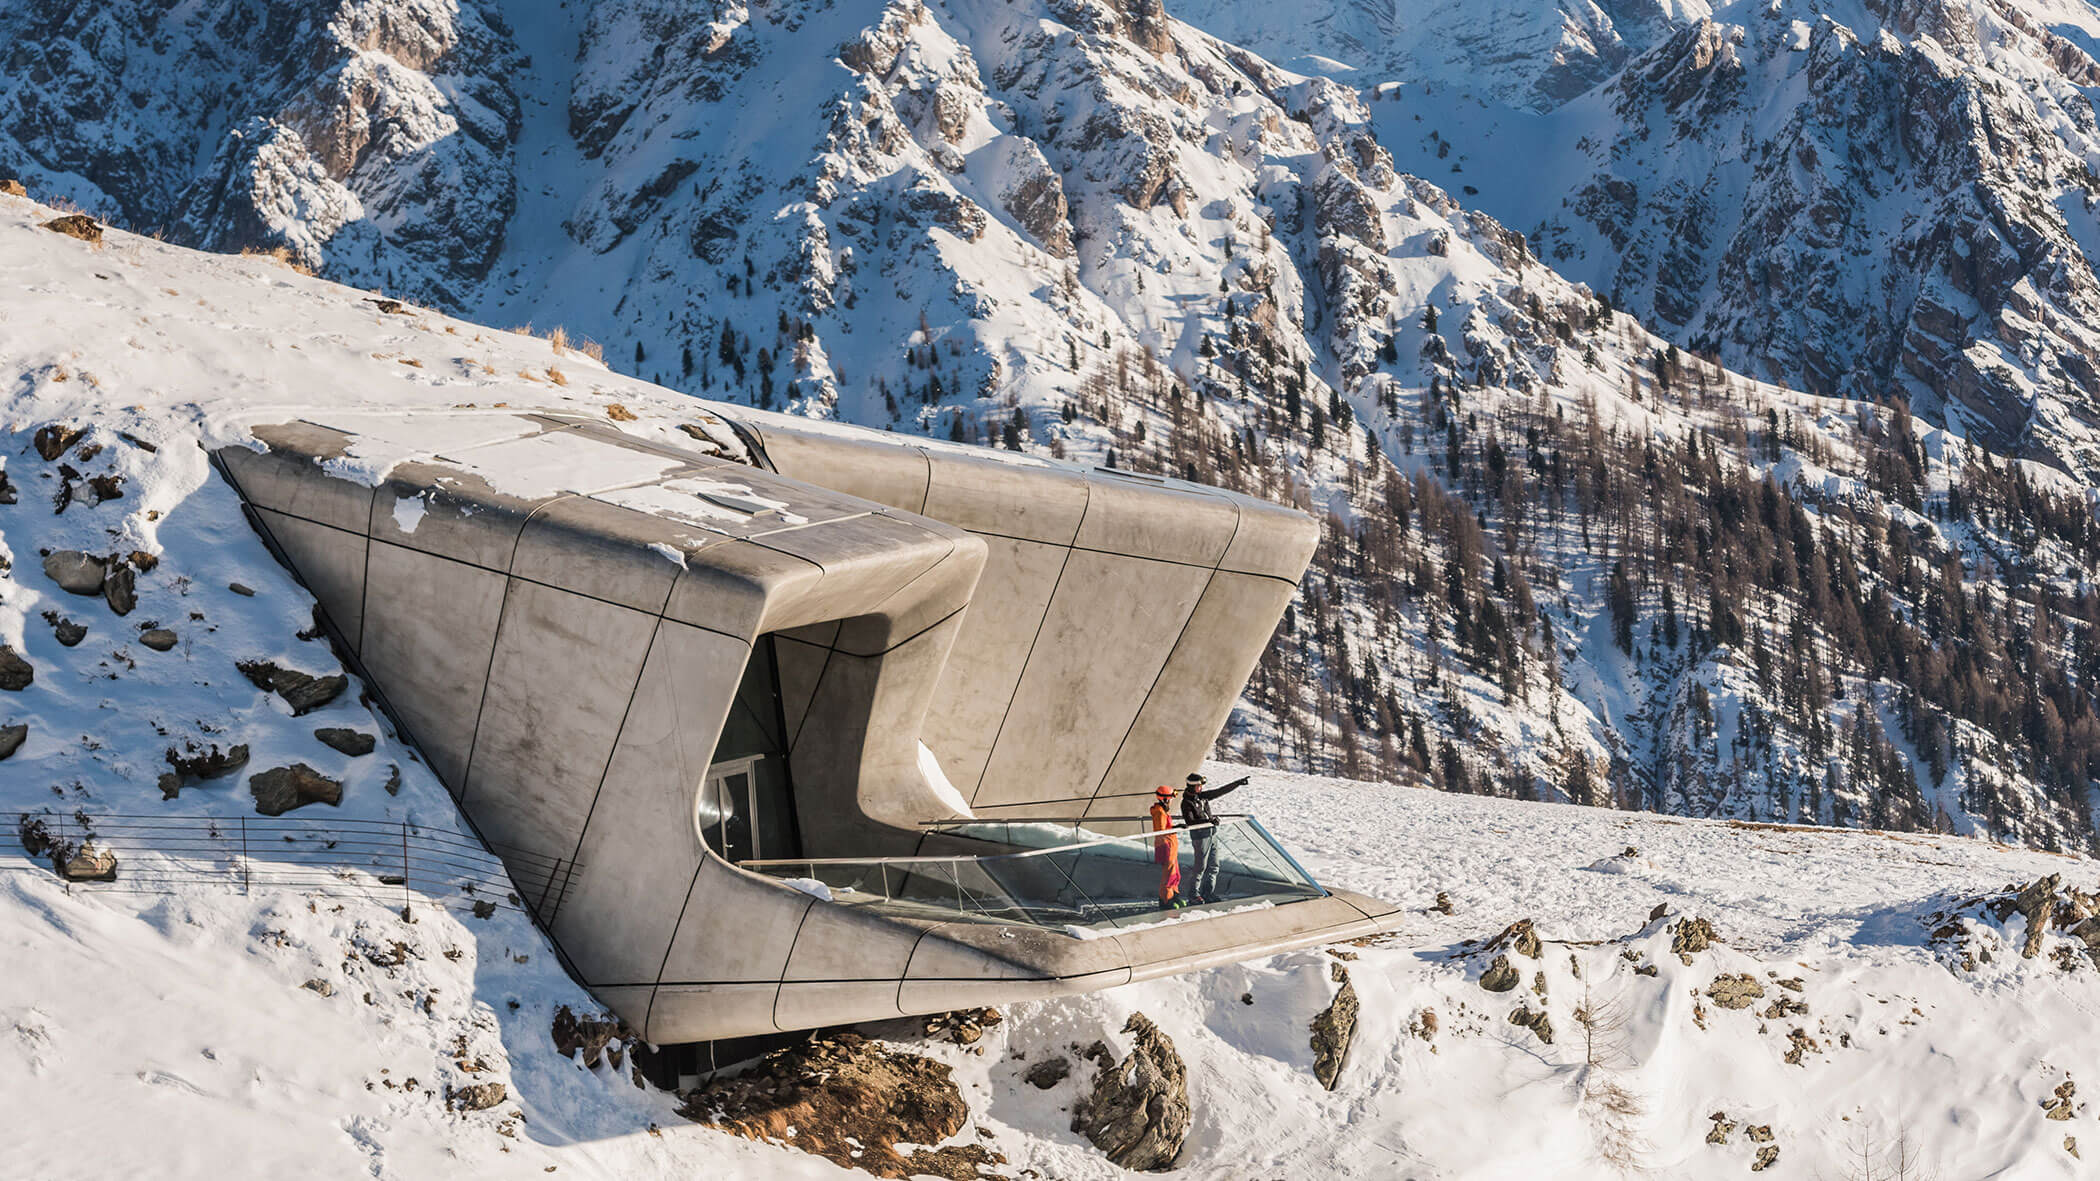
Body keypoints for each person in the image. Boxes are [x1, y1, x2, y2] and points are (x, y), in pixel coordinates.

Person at [1180, 772, 1248, 904]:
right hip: (1200, 836)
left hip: (1211, 834)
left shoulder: (1202, 797)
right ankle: (1193, 895)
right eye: (1199, 786)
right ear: (1192, 786)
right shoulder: (1186, 803)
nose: (1201, 788)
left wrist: (1237, 783)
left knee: (1214, 866)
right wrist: (1209, 822)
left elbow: (1219, 791)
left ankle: (1208, 893)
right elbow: (1190, 822)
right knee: (1200, 867)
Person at [1149, 784, 1183, 910]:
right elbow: (1161, 830)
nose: (1171, 801)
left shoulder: (1162, 811)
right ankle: (1166, 899)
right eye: (1170, 798)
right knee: (1168, 873)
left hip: (1171, 845)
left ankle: (1174, 895)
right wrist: (1175, 828)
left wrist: (1175, 827)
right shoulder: (1159, 812)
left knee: (1175, 872)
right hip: (1166, 846)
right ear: (1165, 799)